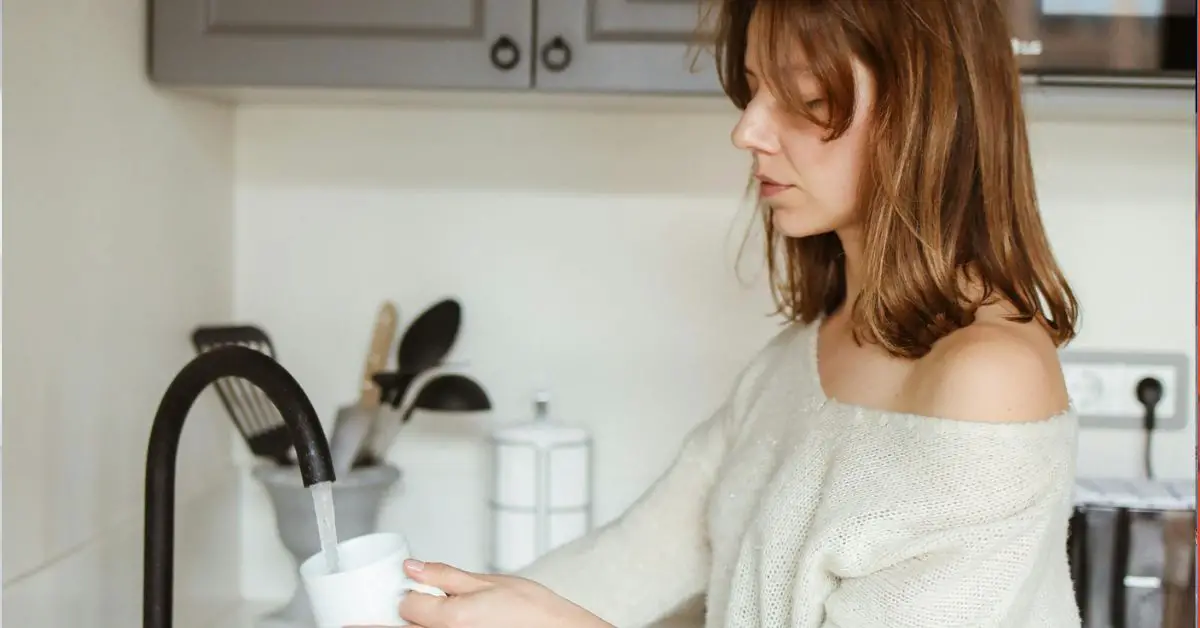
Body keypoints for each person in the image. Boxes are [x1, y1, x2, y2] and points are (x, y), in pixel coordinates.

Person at [392, 0, 1083, 626]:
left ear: (927, 114)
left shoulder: (990, 383)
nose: (747, 130)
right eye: (754, 89)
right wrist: (421, 612)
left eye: (803, 97)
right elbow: (631, 562)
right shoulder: (801, 359)